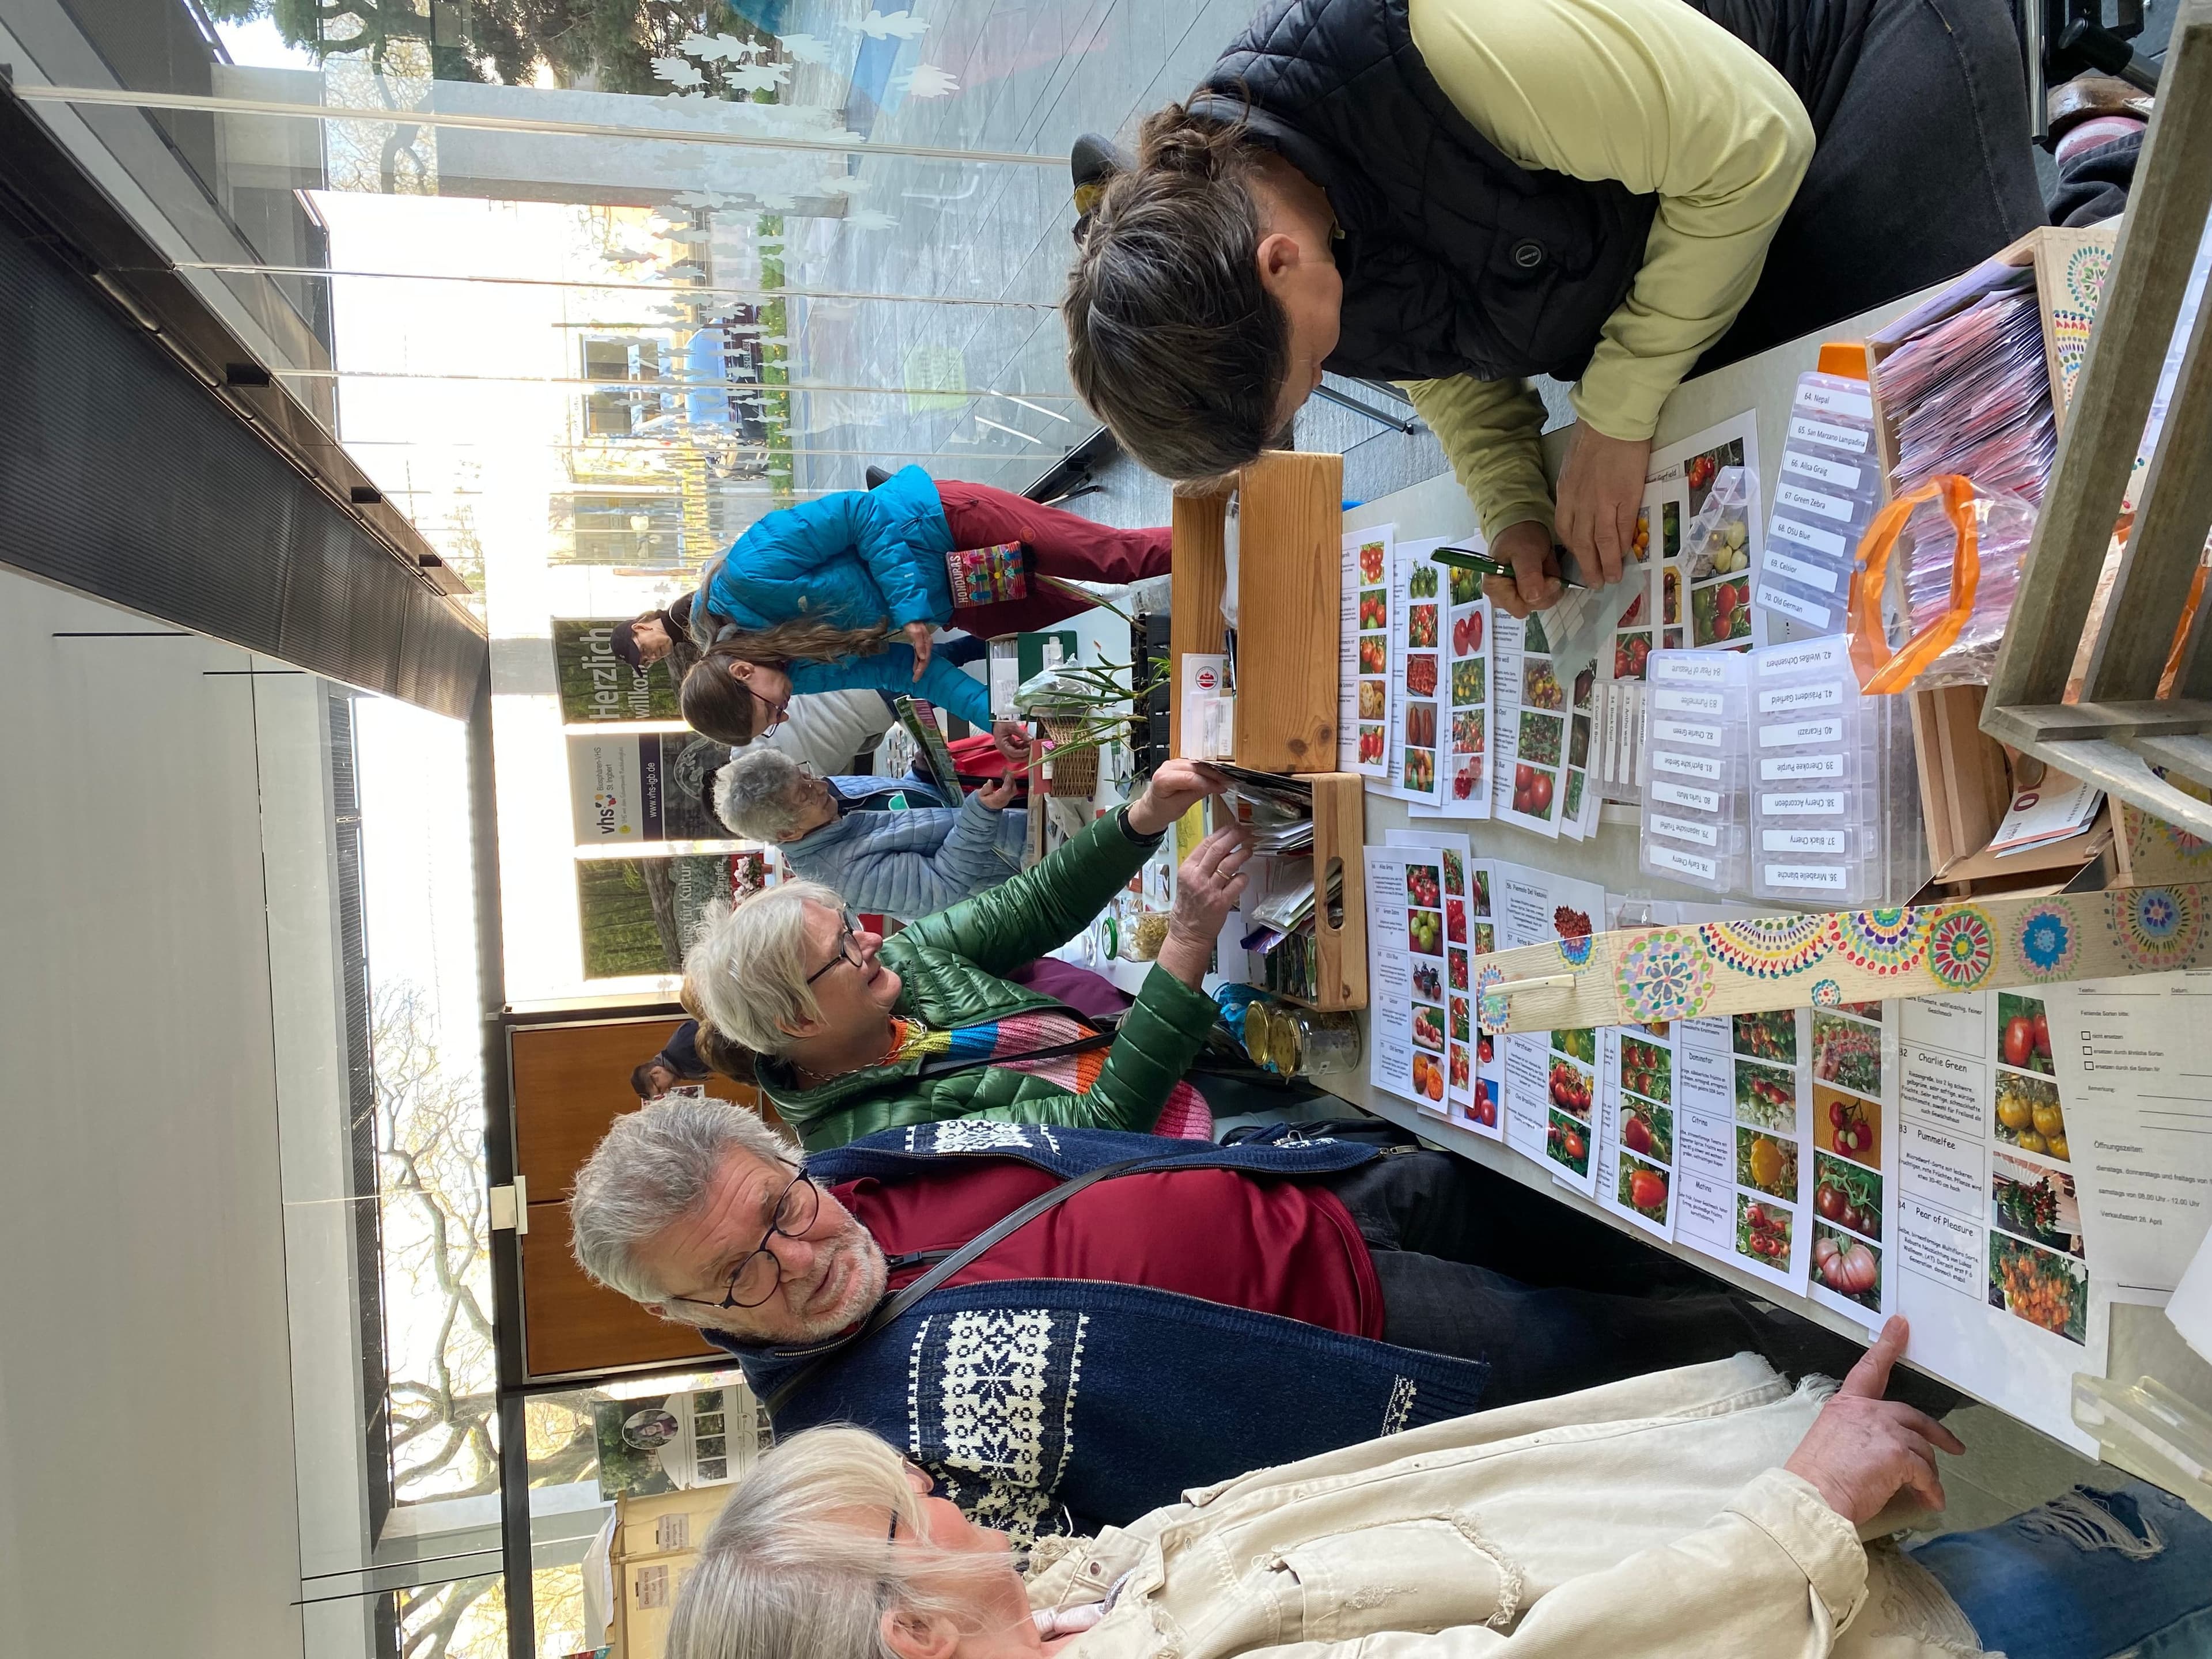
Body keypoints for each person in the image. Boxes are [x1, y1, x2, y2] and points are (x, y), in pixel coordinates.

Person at [1061, 0, 2043, 618]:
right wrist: (1510, 503)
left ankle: (2098, 148)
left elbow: (1755, 145)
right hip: (1690, 224)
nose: (1325, 378)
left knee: (1973, 410)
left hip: (1842, 58)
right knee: (1801, 487)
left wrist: (1613, 416)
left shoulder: (1443, 38)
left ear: (1278, 261)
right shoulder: (1281, 253)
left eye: (1306, 375)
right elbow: (1427, 349)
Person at [567, 1101, 1885, 1537]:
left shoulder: (867, 1164)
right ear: (689, 1314)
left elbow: (1077, 1151)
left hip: (1323, 1186)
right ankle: (1897, 1374)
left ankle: (1855, 1256)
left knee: (1625, 1211)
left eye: (781, 1203)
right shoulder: (848, 1446)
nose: (797, 1253)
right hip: (1372, 1347)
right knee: (1674, 1348)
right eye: (739, 1271)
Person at [662, 1319, 2212, 1659]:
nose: (938, 1492)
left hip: (1792, 1551)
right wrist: (1800, 1503)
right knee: (2144, 1567)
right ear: (913, 1635)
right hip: (1863, 1625)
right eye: (903, 1511)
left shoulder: (1076, 1601)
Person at [679, 759, 1246, 1147]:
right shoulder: (873, 1137)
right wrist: (1188, 939)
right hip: (1189, 1150)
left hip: (1184, 1070)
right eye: (845, 948)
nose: (873, 940)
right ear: (800, 1017)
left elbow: (1035, 904)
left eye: (849, 926)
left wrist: (1143, 816)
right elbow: (1101, 1122)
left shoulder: (898, 971)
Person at [678, 464, 1169, 746]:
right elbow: (903, 672)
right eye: (774, 726)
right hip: (956, 595)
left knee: (1116, 559)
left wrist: (909, 608)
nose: (784, 714)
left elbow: (859, 511)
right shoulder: (789, 673)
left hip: (942, 525)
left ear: (741, 672)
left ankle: (1236, 531)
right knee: (1094, 626)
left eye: (772, 712)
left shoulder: (749, 573)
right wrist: (991, 717)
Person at [714, 748, 1028, 922]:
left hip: (1016, 823)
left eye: (805, 775)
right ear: (787, 832)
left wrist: (919, 775)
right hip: (1023, 867)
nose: (821, 786)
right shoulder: (839, 876)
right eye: (805, 794)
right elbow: (941, 887)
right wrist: (981, 816)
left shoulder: (826, 801)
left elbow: (906, 815)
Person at [630, 1019, 713, 1101]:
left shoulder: (682, 1046)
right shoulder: (683, 1069)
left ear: (655, 1072)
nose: (668, 1091)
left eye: (660, 1089)